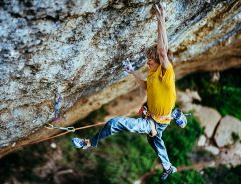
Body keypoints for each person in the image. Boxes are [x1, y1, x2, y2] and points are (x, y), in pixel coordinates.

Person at [72, 3, 177, 181]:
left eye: (150, 61)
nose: (147, 63)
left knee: (114, 123)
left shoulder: (166, 74)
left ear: (159, 62)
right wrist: (131, 71)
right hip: (155, 119)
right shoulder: (152, 75)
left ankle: (88, 143)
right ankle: (168, 166)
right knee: (155, 141)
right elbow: (145, 86)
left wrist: (161, 19)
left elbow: (162, 51)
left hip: (155, 122)